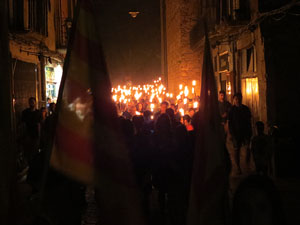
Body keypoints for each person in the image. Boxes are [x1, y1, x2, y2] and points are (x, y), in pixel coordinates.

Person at [228, 93, 252, 175]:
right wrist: (231, 133)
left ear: (241, 99)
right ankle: (238, 167)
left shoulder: (245, 109)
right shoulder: (232, 110)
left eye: (239, 99)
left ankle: (247, 164)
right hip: (236, 132)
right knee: (236, 150)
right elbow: (230, 123)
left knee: (248, 148)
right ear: (234, 100)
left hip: (245, 131)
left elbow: (249, 121)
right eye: (236, 99)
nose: (237, 101)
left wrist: (250, 131)